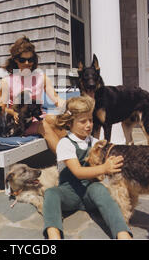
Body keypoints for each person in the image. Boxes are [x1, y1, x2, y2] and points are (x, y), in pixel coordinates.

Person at [42, 96, 132, 240]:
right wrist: (104, 168)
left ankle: (122, 233)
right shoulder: (65, 144)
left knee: (101, 190)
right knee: (51, 193)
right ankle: (54, 235)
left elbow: (109, 155)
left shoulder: (95, 142)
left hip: (89, 193)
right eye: (83, 121)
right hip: (69, 193)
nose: (89, 125)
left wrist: (115, 161)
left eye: (90, 120)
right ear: (70, 123)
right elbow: (77, 172)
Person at [0, 36, 65, 153]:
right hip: (20, 124)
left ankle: (75, 154)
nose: (27, 63)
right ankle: (68, 161)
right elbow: (2, 109)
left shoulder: (41, 78)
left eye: (30, 60)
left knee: (54, 119)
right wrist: (13, 112)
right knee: (43, 125)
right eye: (23, 60)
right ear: (15, 60)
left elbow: (56, 99)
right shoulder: (7, 81)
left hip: (38, 117)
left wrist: (69, 108)